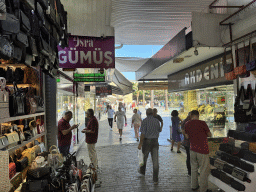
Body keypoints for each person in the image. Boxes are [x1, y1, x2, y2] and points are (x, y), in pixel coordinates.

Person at [185, 110, 212, 192]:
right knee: (203, 170)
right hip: (202, 149)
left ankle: (194, 186)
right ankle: (203, 189)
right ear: (198, 115)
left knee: (193, 168)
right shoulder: (202, 123)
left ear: (191, 115)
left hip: (192, 149)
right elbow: (209, 135)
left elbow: (186, 136)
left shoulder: (187, 124)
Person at [138, 108, 161, 185]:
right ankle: (155, 179)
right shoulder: (157, 121)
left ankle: (142, 172)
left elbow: (143, 133)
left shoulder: (145, 121)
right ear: (152, 113)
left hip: (146, 141)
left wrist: (140, 143)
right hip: (155, 141)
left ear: (146, 113)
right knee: (155, 161)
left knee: (144, 158)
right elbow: (159, 130)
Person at [181, 112, 192, 176]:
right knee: (190, 157)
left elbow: (183, 131)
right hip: (188, 142)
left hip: (186, 142)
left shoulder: (184, 121)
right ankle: (190, 171)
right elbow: (184, 132)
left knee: (189, 156)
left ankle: (190, 171)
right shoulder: (187, 121)